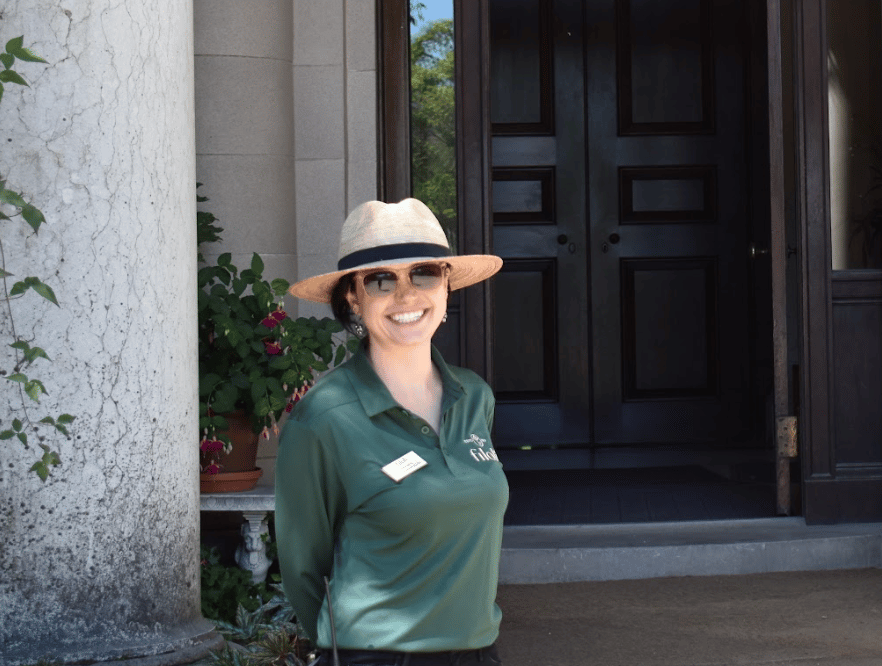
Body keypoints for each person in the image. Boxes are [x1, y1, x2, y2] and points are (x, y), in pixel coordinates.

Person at [275, 198, 508, 666]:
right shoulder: (323, 418)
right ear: (353, 299)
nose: (406, 296)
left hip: (478, 651)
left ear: (446, 286)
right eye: (381, 280)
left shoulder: (475, 397)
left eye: (423, 273)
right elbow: (303, 567)